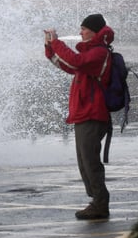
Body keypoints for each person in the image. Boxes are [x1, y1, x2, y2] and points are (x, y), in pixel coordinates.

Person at [44, 13, 113, 220]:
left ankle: (100, 203)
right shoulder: (90, 54)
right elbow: (68, 65)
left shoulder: (99, 53)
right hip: (84, 113)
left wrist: (56, 42)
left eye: (83, 29)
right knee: (84, 161)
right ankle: (96, 200)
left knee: (90, 161)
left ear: (93, 32)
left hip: (93, 113)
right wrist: (50, 49)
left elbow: (74, 61)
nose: (80, 32)